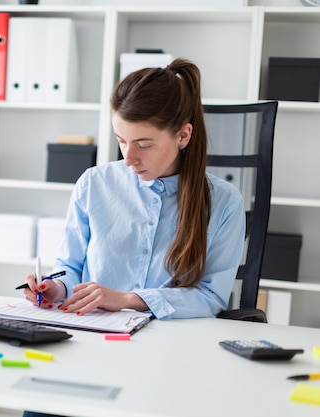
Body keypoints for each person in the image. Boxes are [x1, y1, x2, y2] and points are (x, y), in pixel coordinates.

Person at [19, 57, 246, 417]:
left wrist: (128, 299)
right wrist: (55, 288)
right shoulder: (94, 184)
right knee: (41, 405)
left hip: (170, 357)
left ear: (183, 135)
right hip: (89, 346)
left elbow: (211, 297)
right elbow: (70, 267)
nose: (129, 158)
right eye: (122, 140)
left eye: (144, 144)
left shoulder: (223, 202)